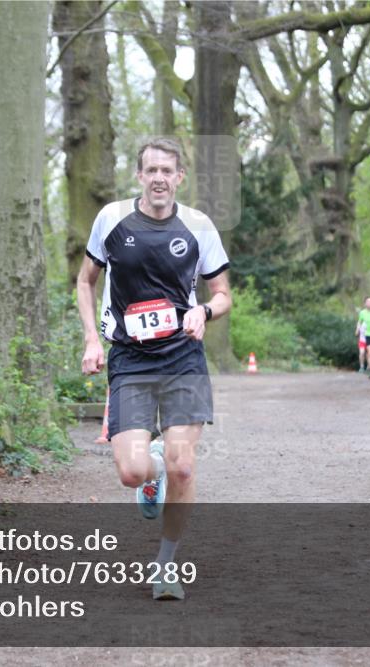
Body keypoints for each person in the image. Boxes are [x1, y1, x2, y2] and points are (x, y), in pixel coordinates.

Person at [76, 137, 231, 601]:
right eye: (152, 170)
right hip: (130, 357)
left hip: (182, 354)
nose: (160, 178)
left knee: (184, 466)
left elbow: (223, 293)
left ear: (179, 177)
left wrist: (204, 311)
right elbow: (85, 282)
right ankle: (152, 470)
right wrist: (90, 338)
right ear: (139, 175)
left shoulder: (199, 226)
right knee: (131, 471)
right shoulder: (111, 219)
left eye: (168, 170)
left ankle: (165, 567)